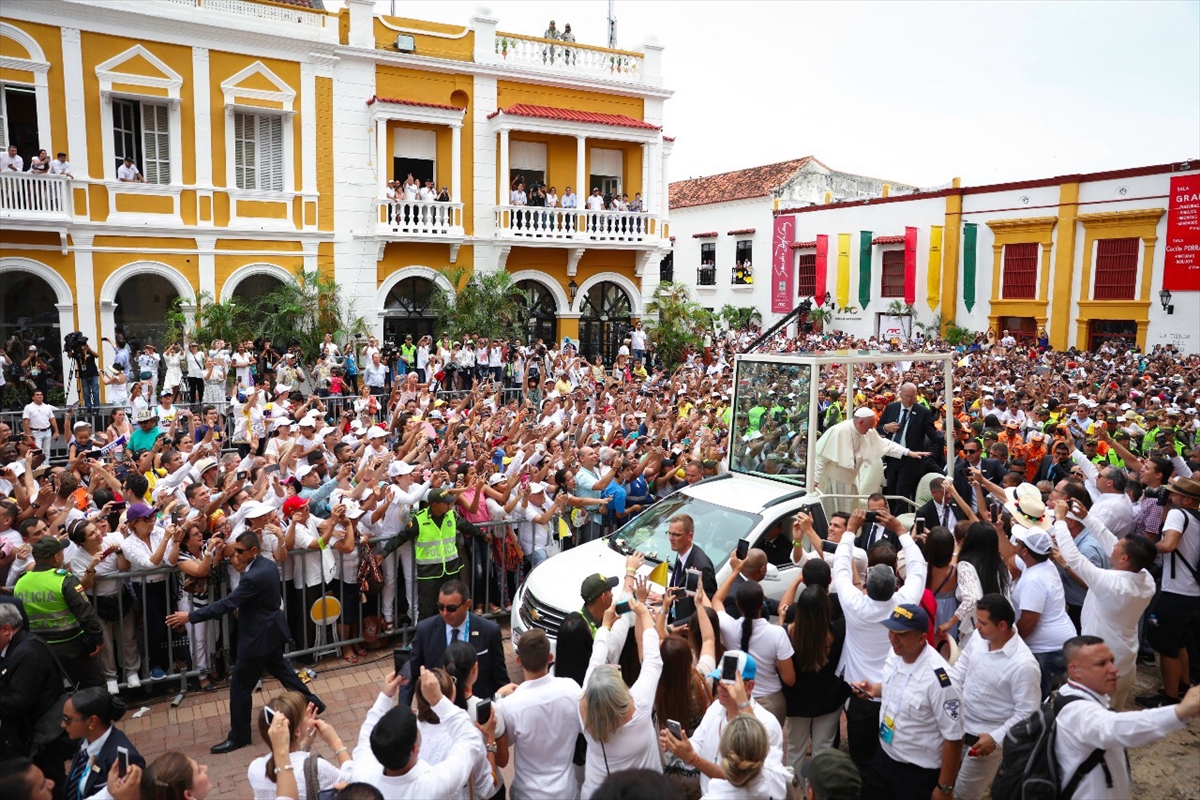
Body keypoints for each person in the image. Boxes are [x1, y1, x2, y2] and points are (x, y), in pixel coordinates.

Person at [166, 530, 325, 754]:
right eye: (234, 551)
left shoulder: (253, 576)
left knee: (240, 686)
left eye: (240, 552)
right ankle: (314, 702)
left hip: (258, 638)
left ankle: (239, 736)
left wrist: (189, 616)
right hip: (269, 633)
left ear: (253, 551)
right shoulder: (266, 565)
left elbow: (227, 604)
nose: (235, 556)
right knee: (282, 670)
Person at [834, 508, 927, 776]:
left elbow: (840, 566)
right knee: (888, 755)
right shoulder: (904, 604)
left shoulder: (853, 604)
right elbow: (918, 568)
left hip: (861, 695)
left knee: (861, 758)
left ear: (865, 580)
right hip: (892, 694)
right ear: (896, 585)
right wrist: (901, 531)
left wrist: (850, 529)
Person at [1054, 635, 1200, 799]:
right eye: (1101, 664)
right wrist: (1180, 712)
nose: (1113, 669)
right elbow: (1113, 728)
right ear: (1075, 671)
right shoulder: (1077, 712)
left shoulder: (1075, 694)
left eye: (1112, 660)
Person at [1051, 497, 1156, 710]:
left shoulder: (1111, 583)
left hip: (1098, 666)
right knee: (1113, 717)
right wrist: (1087, 518)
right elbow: (1110, 542)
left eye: (1119, 546)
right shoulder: (1147, 580)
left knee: (1091, 721)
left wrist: (1060, 520)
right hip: (1125, 661)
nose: (1114, 545)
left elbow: (1074, 558)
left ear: (1125, 559)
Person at [851, 604, 964, 800]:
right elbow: (897, 689)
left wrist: (944, 787)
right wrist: (874, 690)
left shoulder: (942, 681)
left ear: (921, 638)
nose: (893, 639)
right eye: (891, 631)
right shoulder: (896, 653)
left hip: (917, 772)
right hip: (885, 756)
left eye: (901, 634)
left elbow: (953, 738)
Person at [947, 594, 1040, 800]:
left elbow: (1027, 714)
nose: (976, 626)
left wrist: (995, 738)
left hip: (984, 742)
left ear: (1002, 625)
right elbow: (958, 672)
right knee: (944, 783)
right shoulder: (978, 640)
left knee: (964, 794)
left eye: (982, 622)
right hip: (957, 728)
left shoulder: (1024, 665)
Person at [348, 667, 488, 798]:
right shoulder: (433, 785)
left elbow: (366, 735)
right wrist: (438, 700)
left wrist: (385, 695)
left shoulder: (363, 776)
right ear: (415, 748)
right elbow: (469, 738)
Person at [579, 597, 664, 798]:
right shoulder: (640, 707)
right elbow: (653, 661)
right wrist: (644, 615)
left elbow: (595, 660)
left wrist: (605, 626)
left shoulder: (582, 704)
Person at [374, 487, 493, 621]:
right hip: (429, 574)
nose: (449, 505)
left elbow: (466, 526)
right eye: (446, 503)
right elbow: (401, 538)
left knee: (453, 607)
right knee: (428, 610)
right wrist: (383, 553)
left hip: (451, 570)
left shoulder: (451, 515)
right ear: (435, 504)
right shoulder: (419, 520)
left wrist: (482, 535)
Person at [497, 627, 584, 799]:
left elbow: (502, 750)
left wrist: (498, 697)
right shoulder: (571, 689)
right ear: (550, 658)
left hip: (527, 794)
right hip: (566, 792)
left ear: (518, 660)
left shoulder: (508, 705)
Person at [1138, 475, 1200, 708]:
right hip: (1193, 593)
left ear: (1185, 499)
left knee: (1166, 647)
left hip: (1177, 593)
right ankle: (1183, 686)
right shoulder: (1193, 516)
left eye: (1173, 493)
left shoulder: (1178, 514)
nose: (1168, 495)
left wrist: (1141, 546)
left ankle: (1170, 698)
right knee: (1180, 642)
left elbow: (1169, 543)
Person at [712, 552, 795, 725]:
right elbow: (790, 679)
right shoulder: (777, 633)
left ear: (737, 604)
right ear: (761, 605)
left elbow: (717, 600)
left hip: (737, 698)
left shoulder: (728, 627)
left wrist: (735, 571)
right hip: (771, 702)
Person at [14, 536, 105, 689]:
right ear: (56, 557)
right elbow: (85, 613)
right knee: (93, 687)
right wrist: (98, 638)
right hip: (71, 644)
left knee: (52, 689)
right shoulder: (65, 580)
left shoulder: (21, 582)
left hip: (39, 646)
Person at [399, 579, 507, 706]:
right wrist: (403, 711)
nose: (445, 613)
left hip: (476, 709)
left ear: (467, 605)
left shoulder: (489, 631)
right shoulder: (425, 630)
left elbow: (500, 677)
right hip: (438, 709)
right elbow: (410, 674)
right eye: (440, 607)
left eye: (451, 608)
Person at [813, 407, 928, 516]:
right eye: (869, 426)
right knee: (832, 515)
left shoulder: (867, 432)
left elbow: (886, 445)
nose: (871, 429)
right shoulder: (837, 431)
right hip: (832, 484)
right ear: (861, 422)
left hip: (851, 484)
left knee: (850, 516)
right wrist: (815, 480)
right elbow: (819, 458)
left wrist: (908, 452)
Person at [247, 692, 352, 800]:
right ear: (297, 731)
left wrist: (304, 744)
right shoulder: (319, 768)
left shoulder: (255, 768)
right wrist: (336, 742)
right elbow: (353, 783)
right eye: (304, 716)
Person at [60, 687, 145, 800]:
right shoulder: (85, 741)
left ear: (92, 721)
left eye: (68, 720)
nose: (63, 724)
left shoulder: (124, 760)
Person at [878, 382, 942, 506]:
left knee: (902, 495)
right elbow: (878, 428)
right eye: (906, 396)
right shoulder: (891, 407)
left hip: (910, 459)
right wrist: (886, 428)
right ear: (900, 395)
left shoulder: (923, 412)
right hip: (892, 456)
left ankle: (899, 521)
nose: (909, 399)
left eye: (912, 396)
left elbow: (932, 434)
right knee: (891, 491)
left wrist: (945, 437)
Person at [666, 513, 718, 622]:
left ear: (689, 536)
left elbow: (707, 611)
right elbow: (683, 590)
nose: (670, 538)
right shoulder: (681, 552)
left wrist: (674, 627)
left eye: (675, 535)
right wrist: (663, 597)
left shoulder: (701, 566)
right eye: (669, 533)